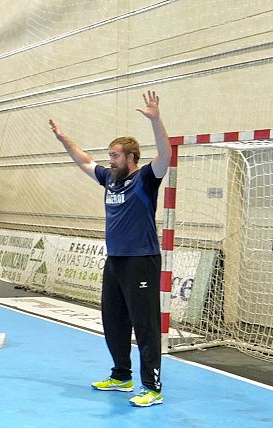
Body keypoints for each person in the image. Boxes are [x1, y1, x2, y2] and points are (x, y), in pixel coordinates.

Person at [49, 90, 171, 407]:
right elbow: (84, 161)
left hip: (141, 261)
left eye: (115, 155)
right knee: (113, 319)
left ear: (130, 158)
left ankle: (152, 388)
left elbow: (165, 155)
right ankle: (121, 376)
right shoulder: (110, 180)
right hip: (115, 261)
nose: (110, 160)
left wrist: (156, 120)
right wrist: (64, 139)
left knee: (144, 325)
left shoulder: (145, 179)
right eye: (110, 155)